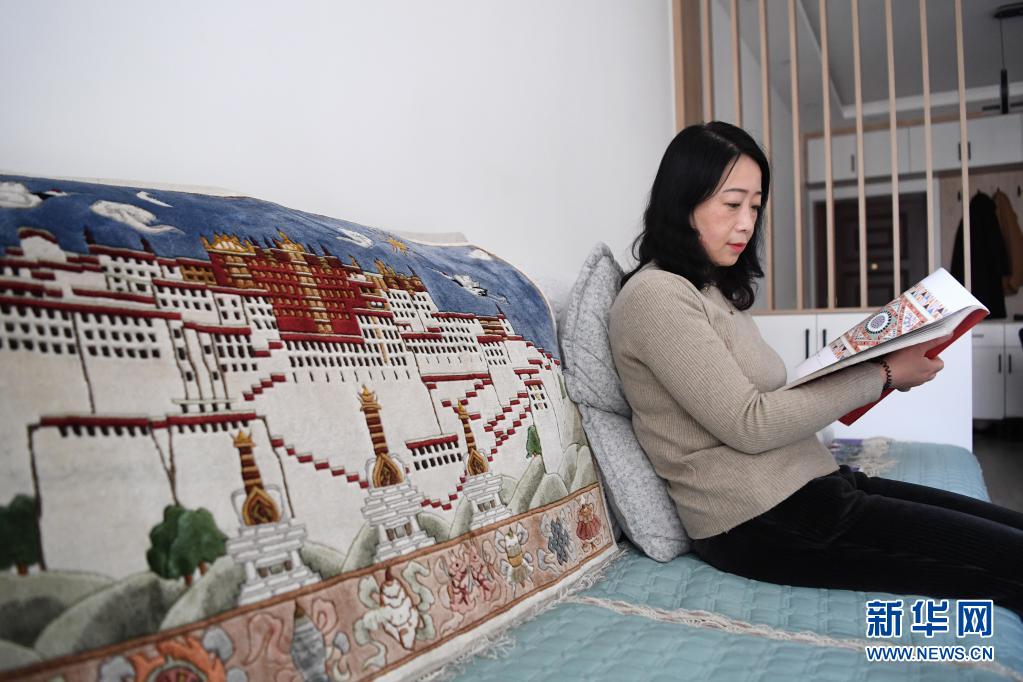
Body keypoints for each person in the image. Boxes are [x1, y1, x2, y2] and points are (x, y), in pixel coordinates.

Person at [609, 121, 1023, 616]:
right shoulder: (655, 297)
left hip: (810, 484)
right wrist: (883, 373)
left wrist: (865, 361)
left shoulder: (710, 290)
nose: (747, 223)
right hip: (757, 518)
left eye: (755, 206)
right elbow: (750, 423)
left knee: (1010, 529)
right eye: (732, 204)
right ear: (683, 202)